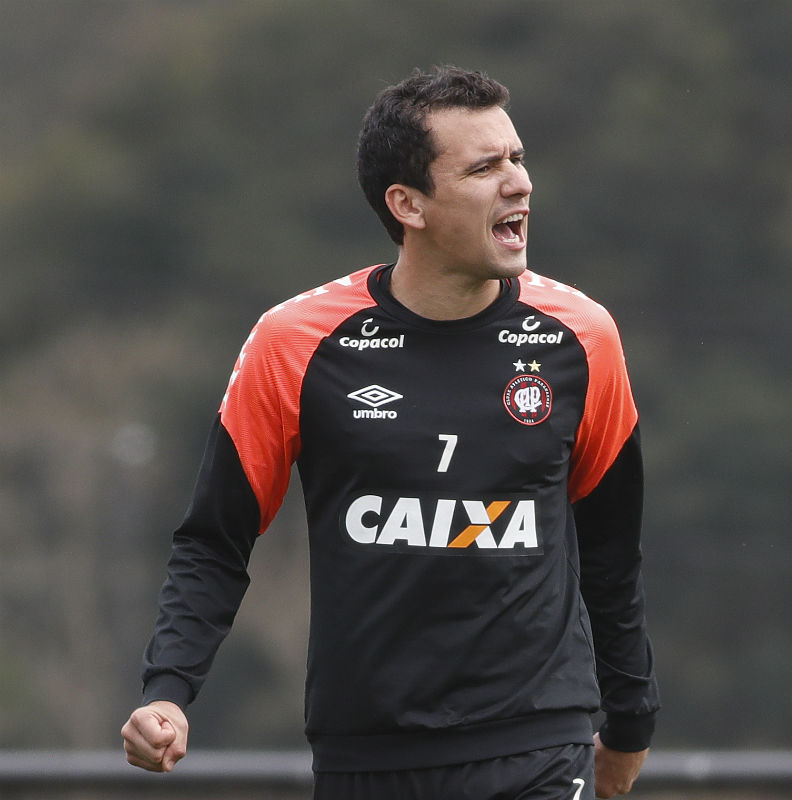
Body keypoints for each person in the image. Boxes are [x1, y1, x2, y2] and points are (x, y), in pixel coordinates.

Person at [121, 66, 659, 799]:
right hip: (365, 755)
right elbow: (216, 539)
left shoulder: (582, 337)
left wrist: (630, 722)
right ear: (408, 204)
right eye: (484, 167)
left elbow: (610, 551)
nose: (520, 184)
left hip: (535, 744)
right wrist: (167, 690)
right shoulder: (294, 342)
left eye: (517, 158)